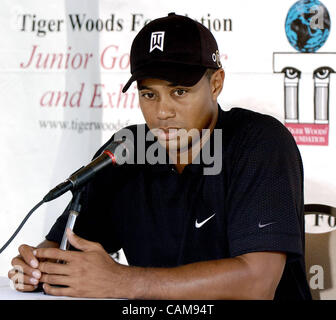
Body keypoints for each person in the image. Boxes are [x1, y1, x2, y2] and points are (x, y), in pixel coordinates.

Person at [8, 13, 312, 300]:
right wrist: (37, 267)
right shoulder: (127, 149)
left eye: (179, 91)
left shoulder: (258, 142)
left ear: (216, 84)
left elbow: (257, 283)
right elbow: (64, 249)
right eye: (148, 94)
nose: (162, 112)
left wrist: (121, 280)